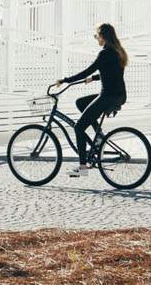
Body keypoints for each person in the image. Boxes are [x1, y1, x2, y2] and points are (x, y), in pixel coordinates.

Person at [54, 23, 128, 177]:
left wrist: (65, 80)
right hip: (119, 95)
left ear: (103, 36)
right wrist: (93, 78)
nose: (96, 39)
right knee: (81, 102)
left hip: (107, 96)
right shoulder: (118, 51)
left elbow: (87, 70)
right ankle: (99, 135)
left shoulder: (105, 53)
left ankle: (82, 167)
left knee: (79, 127)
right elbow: (111, 73)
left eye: (97, 36)